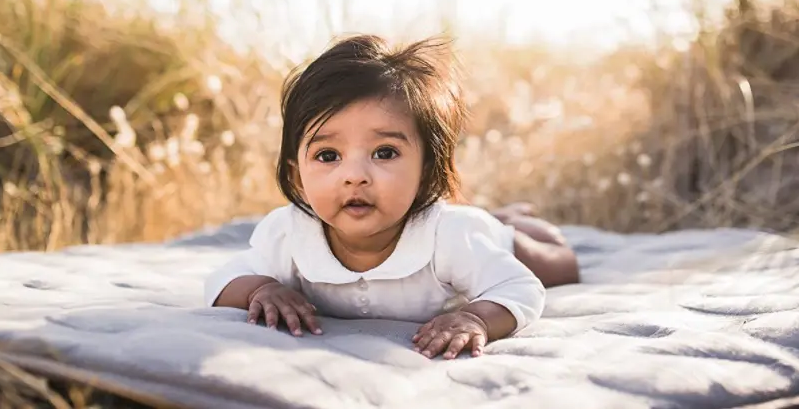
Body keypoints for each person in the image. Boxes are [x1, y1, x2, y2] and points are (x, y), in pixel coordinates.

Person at [204, 34, 580, 360]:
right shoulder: (289, 234)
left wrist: (476, 317)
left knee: (558, 265)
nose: (354, 176)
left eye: (384, 152)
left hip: (478, 234)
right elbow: (222, 280)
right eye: (327, 156)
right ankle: (501, 215)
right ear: (296, 176)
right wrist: (262, 288)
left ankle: (510, 222)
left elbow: (520, 286)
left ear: (427, 170)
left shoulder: (451, 238)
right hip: (461, 223)